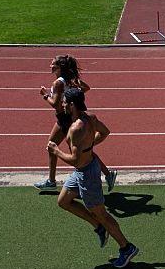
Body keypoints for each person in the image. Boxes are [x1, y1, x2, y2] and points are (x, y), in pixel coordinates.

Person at [48, 88, 138, 268]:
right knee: (64, 201)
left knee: (102, 213)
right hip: (83, 170)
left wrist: (56, 151)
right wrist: (88, 147)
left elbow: (73, 159)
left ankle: (126, 247)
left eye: (64, 102)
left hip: (86, 174)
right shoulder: (91, 119)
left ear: (72, 105)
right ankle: (99, 227)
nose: (62, 104)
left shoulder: (76, 129)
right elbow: (105, 132)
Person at [35, 55, 117, 191]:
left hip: (65, 119)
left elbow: (55, 104)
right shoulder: (68, 80)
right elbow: (86, 88)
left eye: (53, 64)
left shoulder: (58, 83)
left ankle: (107, 174)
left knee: (79, 152)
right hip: (64, 118)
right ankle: (51, 180)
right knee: (54, 146)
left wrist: (45, 95)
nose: (50, 66)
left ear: (59, 67)